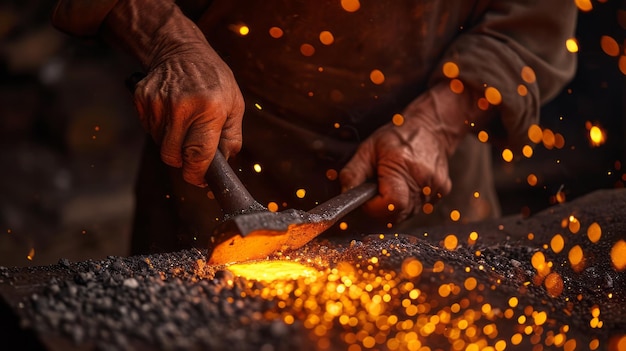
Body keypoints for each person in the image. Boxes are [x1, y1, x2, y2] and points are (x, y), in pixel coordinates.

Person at [51, 0, 577, 255]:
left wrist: (440, 121)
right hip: (219, 143)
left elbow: (535, 16)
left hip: (428, 154)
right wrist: (168, 37)